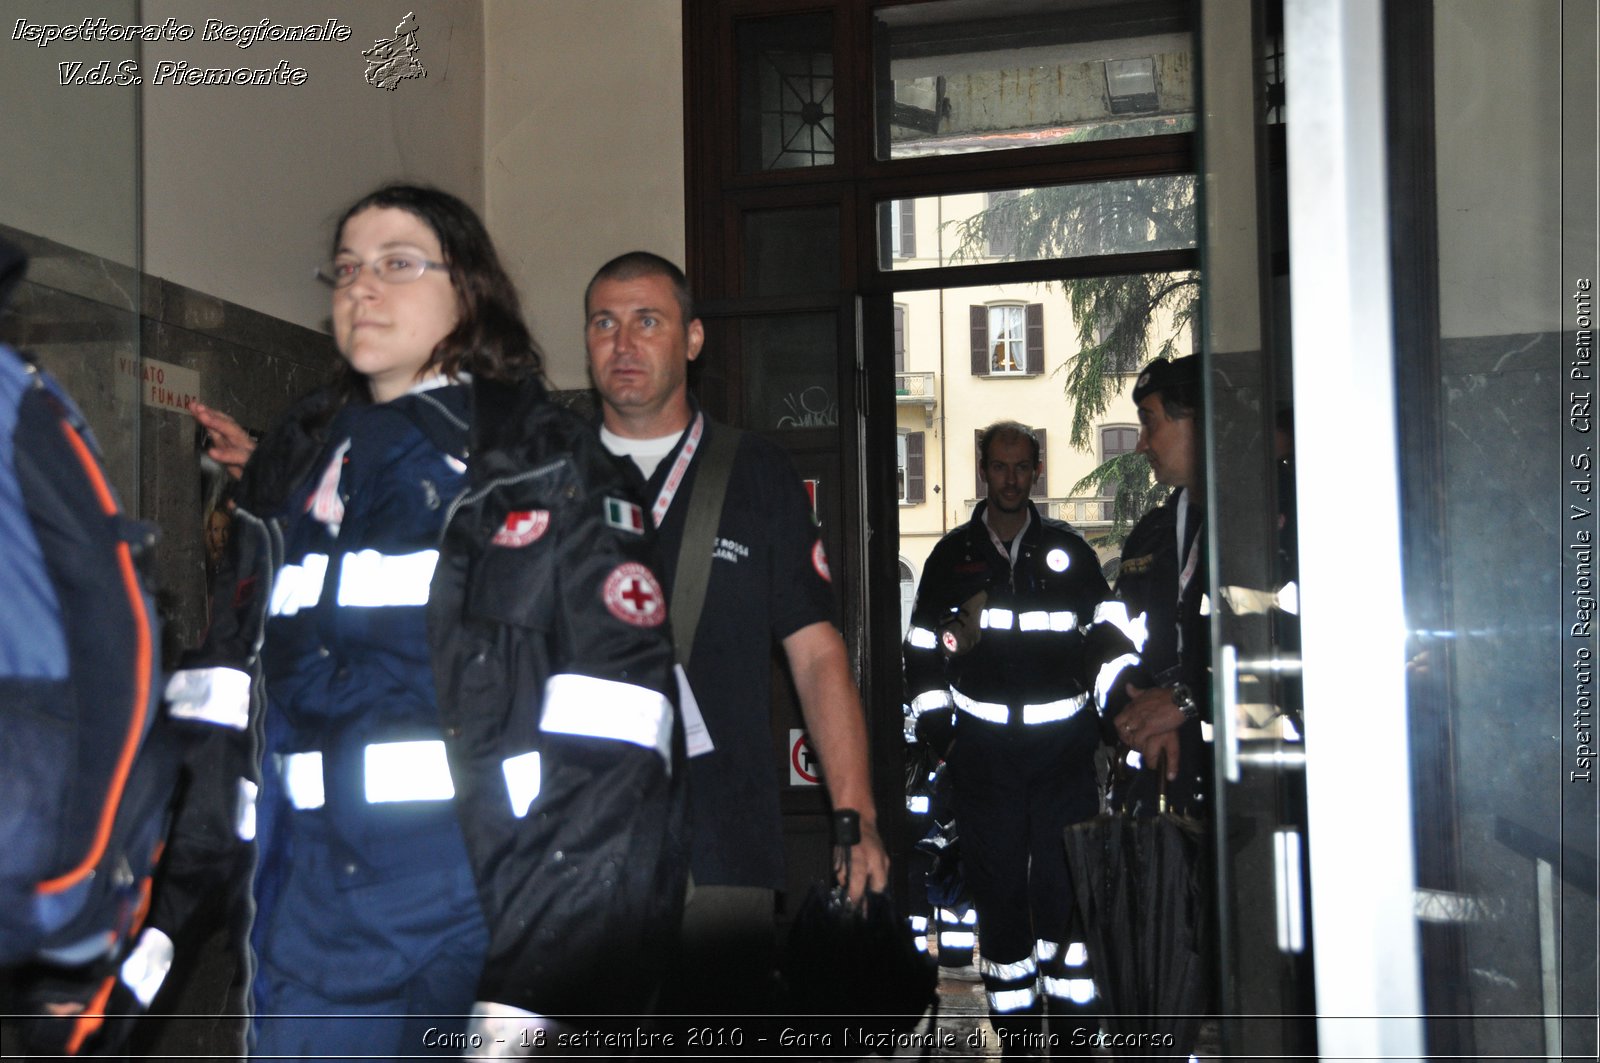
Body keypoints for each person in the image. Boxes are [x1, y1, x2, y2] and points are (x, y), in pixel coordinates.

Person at [162, 187, 685, 1059]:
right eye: (347, 269)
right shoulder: (293, 467)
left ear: (470, 291)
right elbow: (226, 702)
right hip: (310, 909)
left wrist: (537, 979)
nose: (363, 289)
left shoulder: (544, 465)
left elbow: (620, 743)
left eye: (398, 264)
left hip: (479, 898)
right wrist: (165, 904)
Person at [583, 251, 888, 1015]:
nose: (623, 343)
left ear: (692, 339)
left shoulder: (756, 474)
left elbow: (817, 655)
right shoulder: (545, 475)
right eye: (603, 323)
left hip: (719, 847)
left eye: (646, 321)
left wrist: (856, 817)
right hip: (571, 844)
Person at [902, 422, 1140, 1055]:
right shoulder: (951, 556)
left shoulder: (1070, 553)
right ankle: (1015, 1037)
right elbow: (921, 650)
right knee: (1000, 895)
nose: (1010, 478)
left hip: (1064, 758)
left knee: (1066, 893)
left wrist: (1122, 709)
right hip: (983, 762)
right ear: (984, 469)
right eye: (999, 467)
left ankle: (1073, 1039)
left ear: (1036, 470)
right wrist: (942, 735)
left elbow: (1107, 637)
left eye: (1021, 467)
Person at [1107, 354, 1209, 814]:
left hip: (1259, 801)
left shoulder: (1274, 522)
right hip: (1160, 787)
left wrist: (1185, 702)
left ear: (1198, 421)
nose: (1140, 445)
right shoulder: (1150, 533)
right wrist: (1137, 710)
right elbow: (1110, 638)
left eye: (1150, 424)